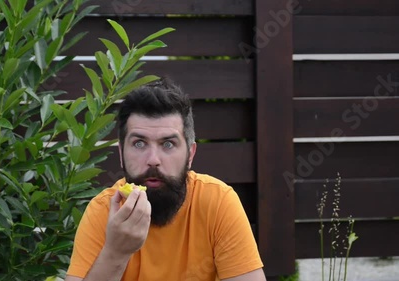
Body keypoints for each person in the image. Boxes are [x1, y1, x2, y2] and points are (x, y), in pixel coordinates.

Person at [65, 78, 266, 281]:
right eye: (139, 144)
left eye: (168, 144)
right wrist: (115, 252)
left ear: (190, 155)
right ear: (121, 153)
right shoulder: (104, 211)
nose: (153, 160)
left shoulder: (217, 202)